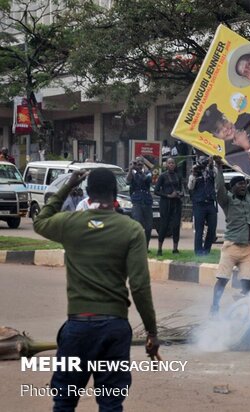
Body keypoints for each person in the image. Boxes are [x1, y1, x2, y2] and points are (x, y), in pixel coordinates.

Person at [33, 168, 159, 410]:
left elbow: (40, 221)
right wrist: (152, 333)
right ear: (115, 194)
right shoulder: (131, 229)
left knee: (64, 401)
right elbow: (140, 286)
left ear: (87, 194)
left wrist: (68, 186)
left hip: (77, 327)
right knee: (111, 402)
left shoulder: (69, 224)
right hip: (114, 329)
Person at [210, 148, 250, 315]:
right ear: (232, 188)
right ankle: (215, 306)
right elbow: (219, 187)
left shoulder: (248, 196)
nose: (243, 186)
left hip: (248, 248)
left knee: (247, 282)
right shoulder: (226, 200)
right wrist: (218, 167)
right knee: (222, 280)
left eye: (244, 183)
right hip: (231, 247)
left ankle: (243, 308)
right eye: (239, 184)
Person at [198, 103, 250, 175]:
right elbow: (249, 172)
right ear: (216, 137)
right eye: (218, 130)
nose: (225, 128)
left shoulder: (244, 118)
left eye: (224, 122)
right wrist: (246, 146)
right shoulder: (230, 156)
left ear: (227, 118)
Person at [188, 155, 218, 256]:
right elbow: (190, 187)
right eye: (201, 161)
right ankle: (198, 251)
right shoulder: (195, 172)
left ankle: (207, 250)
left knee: (212, 228)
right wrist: (194, 174)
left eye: (205, 160)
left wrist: (211, 165)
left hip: (210, 202)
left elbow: (217, 177)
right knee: (199, 229)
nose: (203, 163)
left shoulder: (212, 170)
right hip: (199, 203)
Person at [154, 158, 184, 256]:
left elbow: (181, 189)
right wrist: (168, 195)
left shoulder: (178, 176)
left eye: (173, 163)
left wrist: (180, 194)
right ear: (166, 165)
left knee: (176, 226)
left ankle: (175, 249)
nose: (171, 165)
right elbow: (156, 191)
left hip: (176, 203)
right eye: (169, 163)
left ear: (175, 165)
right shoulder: (163, 176)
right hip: (166, 203)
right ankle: (159, 249)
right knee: (164, 225)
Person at [127, 157, 154, 250]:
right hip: (137, 201)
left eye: (140, 163)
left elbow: (147, 180)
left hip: (147, 202)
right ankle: (137, 247)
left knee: (149, 226)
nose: (138, 164)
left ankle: (146, 247)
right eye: (137, 163)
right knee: (137, 224)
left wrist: (141, 170)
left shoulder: (147, 172)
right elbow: (128, 180)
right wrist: (131, 169)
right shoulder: (132, 173)